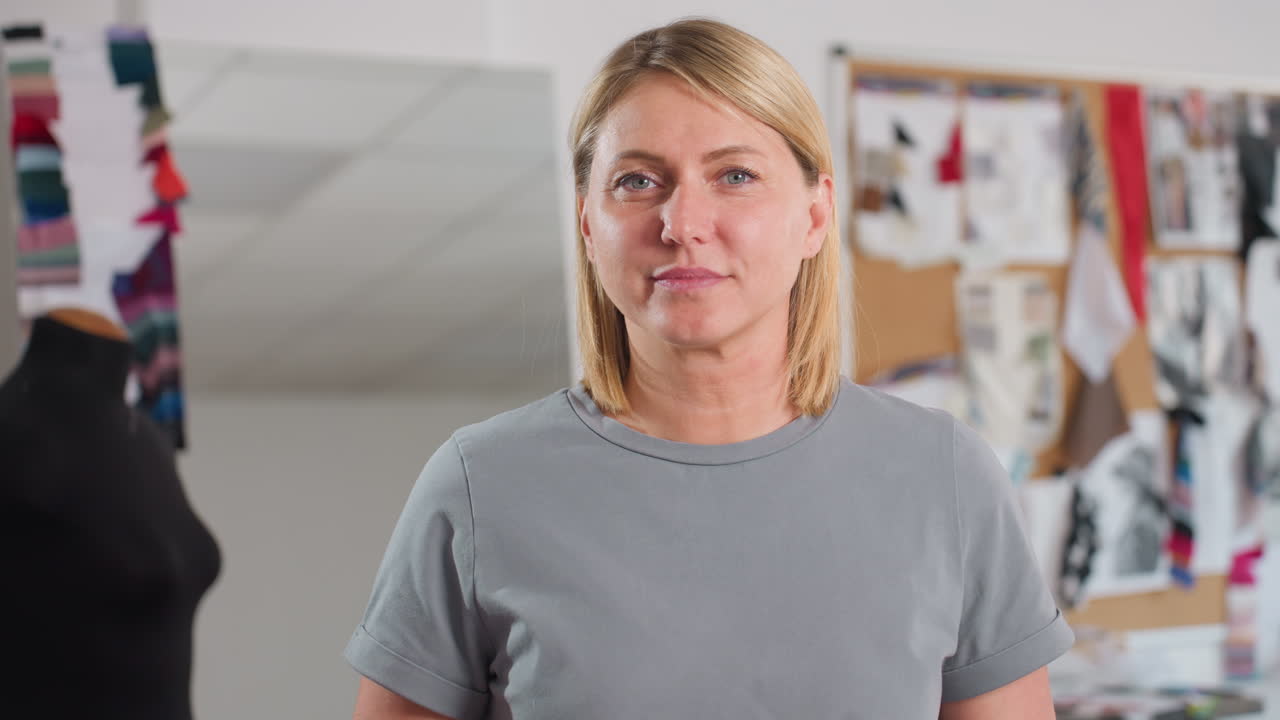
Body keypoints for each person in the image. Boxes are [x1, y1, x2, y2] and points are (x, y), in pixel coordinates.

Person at [345, 18, 1072, 720]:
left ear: (815, 217)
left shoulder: (944, 477)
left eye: (734, 175)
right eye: (636, 181)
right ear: (588, 223)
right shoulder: (481, 486)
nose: (683, 222)